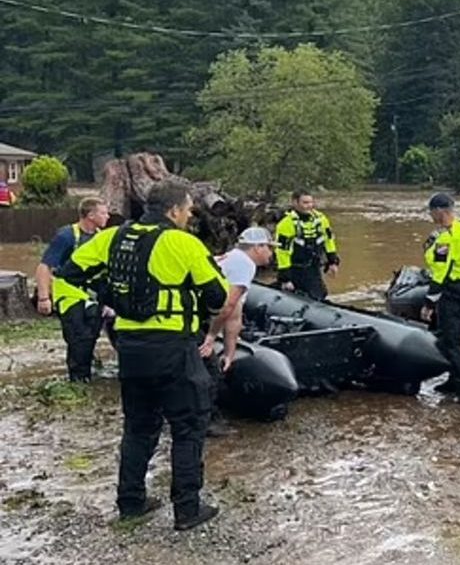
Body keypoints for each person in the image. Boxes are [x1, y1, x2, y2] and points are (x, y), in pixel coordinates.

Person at [58, 180, 229, 531]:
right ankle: (187, 509)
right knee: (188, 427)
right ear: (173, 210)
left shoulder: (111, 237)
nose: (187, 217)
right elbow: (216, 295)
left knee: (138, 428)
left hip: (131, 348)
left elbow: (71, 272)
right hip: (173, 346)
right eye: (186, 211)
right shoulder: (183, 243)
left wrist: (111, 294)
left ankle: (131, 503)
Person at [200, 227, 278, 437]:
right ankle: (206, 422)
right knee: (209, 370)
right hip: (190, 315)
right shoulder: (243, 264)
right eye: (269, 248)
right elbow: (227, 306)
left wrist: (230, 351)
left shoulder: (235, 260)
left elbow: (235, 314)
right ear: (257, 247)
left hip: (199, 312)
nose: (271, 253)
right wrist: (210, 337)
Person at [35, 197, 111, 382]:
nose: (108, 216)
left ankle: (88, 371)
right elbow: (45, 267)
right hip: (68, 294)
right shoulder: (66, 236)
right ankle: (78, 380)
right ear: (91, 215)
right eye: (103, 213)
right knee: (77, 337)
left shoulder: (103, 237)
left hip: (93, 295)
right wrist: (44, 297)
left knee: (92, 335)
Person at [421, 193, 460, 403]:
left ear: (440, 211)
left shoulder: (446, 238)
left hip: (452, 291)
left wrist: (429, 303)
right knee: (451, 334)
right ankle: (453, 379)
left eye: (432, 211)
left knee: (451, 340)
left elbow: (440, 272)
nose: (431, 216)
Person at [274, 189, 339, 301]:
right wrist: (285, 278)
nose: (309, 206)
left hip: (313, 266)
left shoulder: (321, 219)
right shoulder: (286, 224)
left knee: (320, 293)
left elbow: (328, 240)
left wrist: (332, 261)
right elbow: (282, 252)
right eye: (305, 203)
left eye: (311, 202)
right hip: (295, 267)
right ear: (295, 203)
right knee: (300, 295)